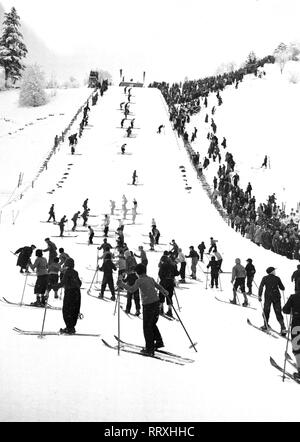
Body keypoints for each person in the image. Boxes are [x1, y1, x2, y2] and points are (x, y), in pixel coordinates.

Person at [118, 263, 168, 356]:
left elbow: (132, 289)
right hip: (156, 303)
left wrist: (122, 284)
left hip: (148, 305)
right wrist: (164, 291)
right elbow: (158, 286)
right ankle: (159, 342)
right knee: (152, 324)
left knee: (147, 327)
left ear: (138, 273)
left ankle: (149, 349)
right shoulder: (150, 279)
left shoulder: (139, 280)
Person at [56, 258, 82, 334]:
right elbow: (80, 284)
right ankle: (72, 327)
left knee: (67, 310)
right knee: (74, 310)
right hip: (77, 292)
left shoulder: (67, 272)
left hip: (70, 292)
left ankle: (69, 327)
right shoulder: (75, 272)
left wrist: (53, 286)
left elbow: (62, 283)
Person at [258, 267, 286, 335]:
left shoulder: (265, 278)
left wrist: (259, 295)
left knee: (266, 311)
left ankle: (266, 325)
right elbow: (282, 288)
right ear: (272, 271)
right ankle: (283, 328)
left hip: (268, 297)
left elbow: (261, 286)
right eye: (274, 270)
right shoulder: (277, 278)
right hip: (276, 297)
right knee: (278, 312)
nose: (275, 271)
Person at [282, 290, 300, 379]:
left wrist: (293, 309)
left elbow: (285, 310)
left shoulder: (293, 297)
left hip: (297, 325)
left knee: (297, 348)